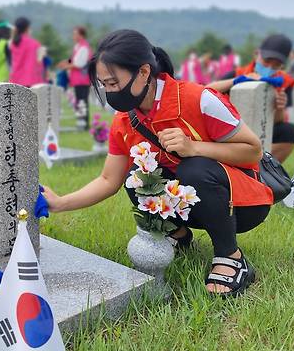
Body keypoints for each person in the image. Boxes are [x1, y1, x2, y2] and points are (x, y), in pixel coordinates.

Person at [43, 29, 272, 297]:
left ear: (143, 73)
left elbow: (252, 151)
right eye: (104, 85)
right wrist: (61, 203)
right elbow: (109, 180)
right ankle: (178, 235)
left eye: (114, 83)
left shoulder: (198, 99)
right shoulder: (125, 121)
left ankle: (230, 256)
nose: (110, 92)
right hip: (191, 204)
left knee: (192, 167)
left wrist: (193, 147)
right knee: (136, 176)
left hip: (241, 202)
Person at [207, 34, 294, 163]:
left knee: (289, 131)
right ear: (257, 54)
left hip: (261, 129)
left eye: (276, 65)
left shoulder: (283, 82)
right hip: (233, 128)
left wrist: (279, 107)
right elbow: (206, 91)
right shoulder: (238, 74)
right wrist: (236, 81)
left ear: (282, 66)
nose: (269, 68)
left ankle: (266, 169)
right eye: (267, 61)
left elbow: (278, 121)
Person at [58, 26, 93, 129]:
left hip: (82, 79)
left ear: (81, 35)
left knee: (82, 101)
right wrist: (66, 62)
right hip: (77, 80)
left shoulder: (84, 47)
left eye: (75, 34)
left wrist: (66, 66)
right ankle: (81, 122)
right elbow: (73, 60)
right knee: (79, 101)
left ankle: (84, 123)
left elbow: (79, 64)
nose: (73, 36)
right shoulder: (78, 47)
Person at [9, 17, 44, 87]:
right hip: (31, 81)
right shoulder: (35, 44)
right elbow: (40, 63)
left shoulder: (13, 43)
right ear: (27, 28)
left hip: (15, 80)